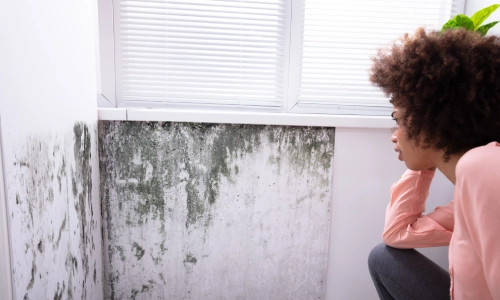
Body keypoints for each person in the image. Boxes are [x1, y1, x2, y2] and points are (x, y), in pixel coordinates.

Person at [367, 27, 500, 300]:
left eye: (399, 119)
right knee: (383, 256)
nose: (394, 135)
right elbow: (397, 234)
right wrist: (426, 157)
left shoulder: (484, 166)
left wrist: (429, 143)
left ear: (431, 119)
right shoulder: (471, 183)